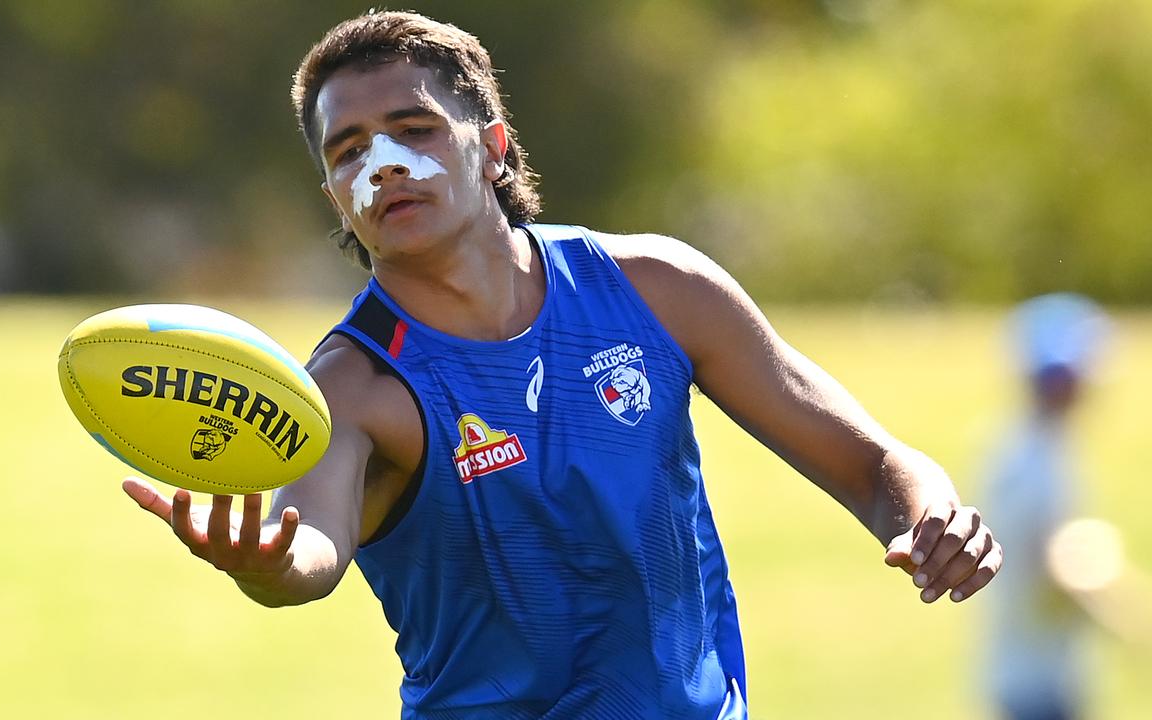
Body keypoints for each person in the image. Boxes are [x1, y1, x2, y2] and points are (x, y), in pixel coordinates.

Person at [121, 11, 1003, 719]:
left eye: (411, 128)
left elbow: (873, 463)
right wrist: (264, 564)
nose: (381, 165)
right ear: (335, 200)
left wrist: (931, 518)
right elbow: (310, 548)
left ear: (494, 147)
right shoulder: (357, 386)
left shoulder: (659, 288)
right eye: (348, 151)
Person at [982, 293, 1109, 720]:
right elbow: (1058, 567)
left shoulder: (1027, 449)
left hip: (1027, 668)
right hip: (1037, 682)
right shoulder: (1035, 463)